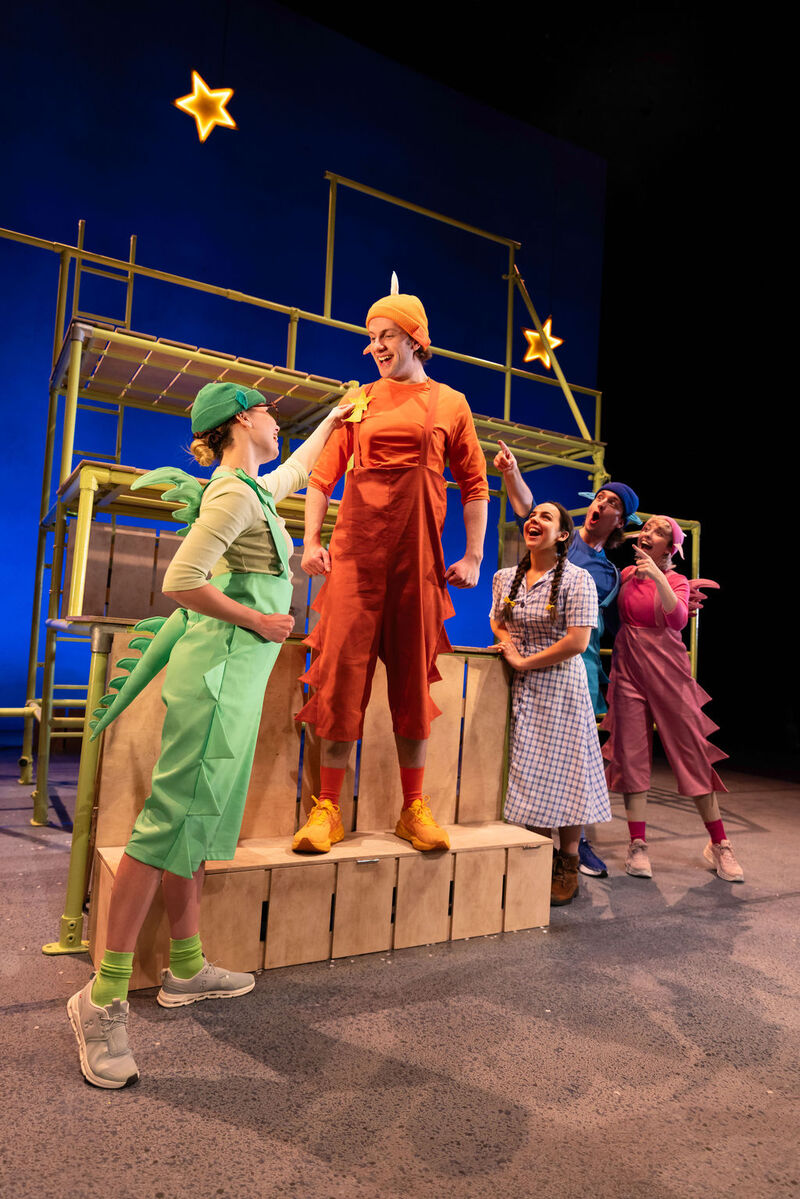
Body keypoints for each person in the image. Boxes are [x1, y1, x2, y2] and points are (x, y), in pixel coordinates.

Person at [67, 381, 353, 1088]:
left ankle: (186, 966)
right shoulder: (229, 495)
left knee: (200, 822)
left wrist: (338, 417)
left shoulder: (252, 488)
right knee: (169, 824)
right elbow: (181, 579)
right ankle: (99, 998)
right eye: (266, 412)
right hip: (220, 672)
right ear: (238, 423)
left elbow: (292, 471)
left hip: (237, 677)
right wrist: (262, 620)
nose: (276, 421)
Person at [294, 289, 488, 853]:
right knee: (339, 679)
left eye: (386, 335)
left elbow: (475, 486)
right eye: (371, 336)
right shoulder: (356, 402)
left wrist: (474, 555)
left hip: (418, 569)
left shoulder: (451, 403)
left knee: (410, 686)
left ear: (414, 338)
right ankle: (327, 808)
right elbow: (322, 478)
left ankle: (412, 808)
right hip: (355, 563)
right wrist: (310, 539)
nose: (375, 345)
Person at [493, 439, 639, 877]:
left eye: (612, 503)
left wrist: (671, 604)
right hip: (529, 672)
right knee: (534, 765)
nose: (601, 505)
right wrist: (511, 472)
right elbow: (527, 506)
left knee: (572, 762)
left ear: (619, 520)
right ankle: (537, 854)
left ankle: (574, 853)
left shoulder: (600, 572)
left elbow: (606, 629)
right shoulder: (547, 550)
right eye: (599, 497)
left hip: (575, 673)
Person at [601, 516, 743, 882]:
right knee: (631, 756)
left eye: (659, 531)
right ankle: (637, 843)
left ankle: (719, 843)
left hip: (669, 675)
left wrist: (660, 576)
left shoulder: (676, 580)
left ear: (670, 548)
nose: (648, 533)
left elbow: (678, 619)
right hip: (629, 673)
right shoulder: (627, 576)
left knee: (692, 754)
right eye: (646, 527)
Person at [490, 501, 611, 905]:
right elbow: (497, 620)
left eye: (546, 517)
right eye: (532, 515)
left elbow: (577, 641)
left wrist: (525, 660)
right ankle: (535, 855)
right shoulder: (505, 577)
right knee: (529, 772)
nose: (533, 520)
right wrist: (509, 646)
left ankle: (569, 861)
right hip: (522, 685)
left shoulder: (578, 580)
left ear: (563, 535)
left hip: (561, 684)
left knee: (568, 773)